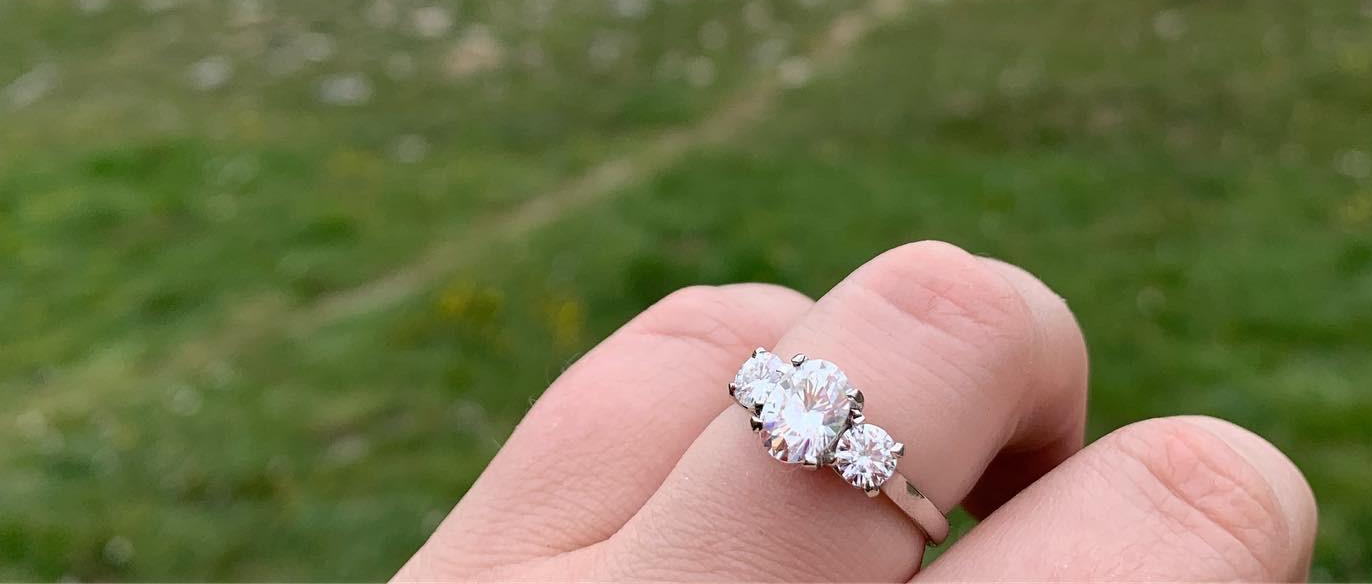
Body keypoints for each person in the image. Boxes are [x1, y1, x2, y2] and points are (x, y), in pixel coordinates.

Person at [394, 241, 1315, 582]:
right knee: (1211, 494)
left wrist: (896, 491)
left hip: (837, 438)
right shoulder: (801, 419)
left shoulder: (825, 421)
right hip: (826, 436)